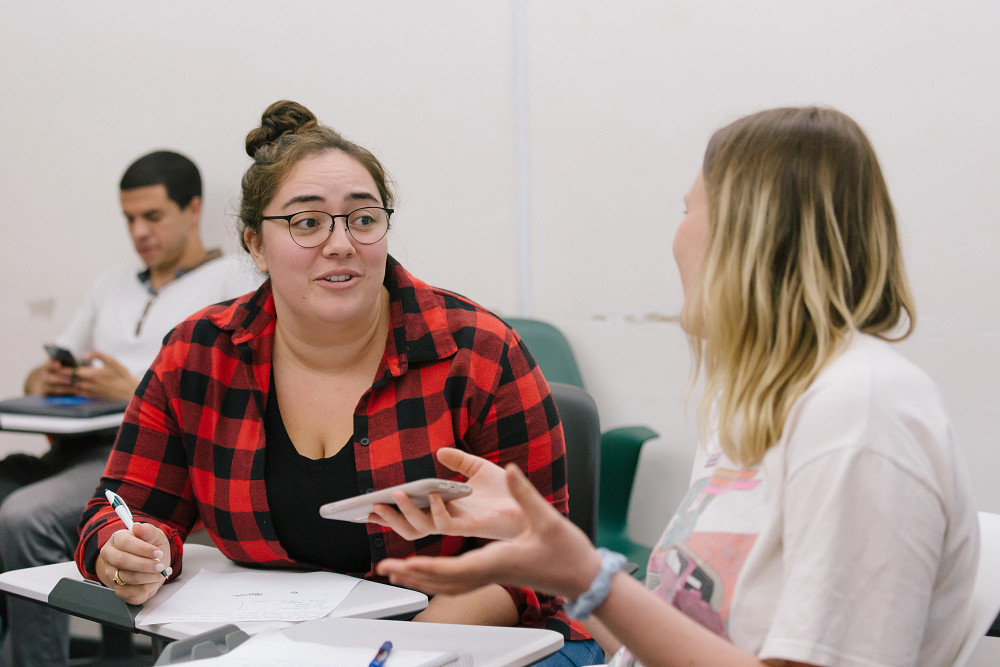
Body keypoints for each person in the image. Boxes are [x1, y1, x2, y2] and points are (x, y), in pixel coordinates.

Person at [374, 107, 980, 666]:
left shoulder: (860, 411)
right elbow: (660, 645)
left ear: (753, 233)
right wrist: (542, 548)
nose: (677, 237)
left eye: (688, 210)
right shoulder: (750, 411)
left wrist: (588, 576)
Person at [74, 101, 601, 665]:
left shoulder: (478, 352)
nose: (341, 243)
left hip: (463, 642)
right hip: (276, 649)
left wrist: (399, 651)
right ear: (256, 244)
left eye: (364, 218)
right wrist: (123, 551)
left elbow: (541, 562)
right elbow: (123, 509)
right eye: (306, 223)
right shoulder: (198, 355)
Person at [0, 149, 260, 666]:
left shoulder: (234, 279)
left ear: (192, 209)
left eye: (153, 216)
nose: (140, 232)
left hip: (146, 451)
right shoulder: (113, 282)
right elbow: (38, 373)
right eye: (130, 219)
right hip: (78, 445)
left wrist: (132, 389)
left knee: (23, 516)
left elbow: (236, 393)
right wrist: (50, 377)